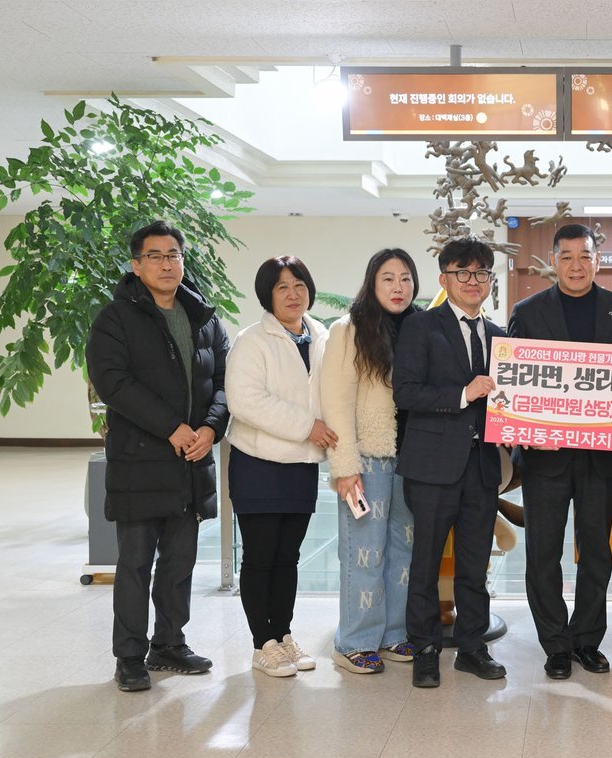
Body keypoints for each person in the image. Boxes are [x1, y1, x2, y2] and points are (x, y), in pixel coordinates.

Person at [86, 220, 229, 692]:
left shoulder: (203, 317)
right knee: (135, 564)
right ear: (136, 265)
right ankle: (129, 655)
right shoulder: (115, 318)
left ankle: (169, 643)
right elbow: (113, 383)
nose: (166, 264)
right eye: (155, 256)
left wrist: (210, 428)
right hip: (140, 460)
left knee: (179, 562)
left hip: (191, 460)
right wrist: (172, 428)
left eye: (173, 255)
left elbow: (225, 382)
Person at [507, 223, 612, 680]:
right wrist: (522, 426)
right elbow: (515, 382)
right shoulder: (527, 313)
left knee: (596, 553)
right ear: (554, 262)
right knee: (543, 553)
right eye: (566, 257)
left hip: (600, 457)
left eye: (584, 256)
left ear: (597, 260)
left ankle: (587, 640)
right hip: (545, 457)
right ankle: (555, 644)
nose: (576, 265)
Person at [393, 237, 506, 688]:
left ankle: (472, 648)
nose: (472, 281)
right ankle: (424, 649)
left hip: (483, 467)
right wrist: (463, 393)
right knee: (425, 563)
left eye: (481, 273)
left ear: (490, 280)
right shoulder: (421, 326)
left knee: (475, 565)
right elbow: (405, 392)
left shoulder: (501, 337)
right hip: (432, 466)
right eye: (463, 273)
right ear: (444, 279)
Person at [225, 256, 332, 677]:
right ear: (267, 295)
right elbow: (246, 402)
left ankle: (284, 635)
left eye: (299, 285)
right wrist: (308, 426)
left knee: (288, 557)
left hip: (302, 465)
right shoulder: (252, 340)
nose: (293, 294)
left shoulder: (321, 336)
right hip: (259, 464)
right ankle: (262, 644)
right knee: (261, 556)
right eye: (282, 287)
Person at [321, 249, 420, 675]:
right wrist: (345, 467)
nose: (398, 287)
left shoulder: (419, 327)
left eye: (405, 278)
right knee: (364, 552)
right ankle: (355, 641)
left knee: (404, 551)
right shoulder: (349, 330)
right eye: (388, 278)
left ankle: (394, 633)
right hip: (368, 457)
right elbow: (336, 401)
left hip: (412, 458)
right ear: (372, 283)